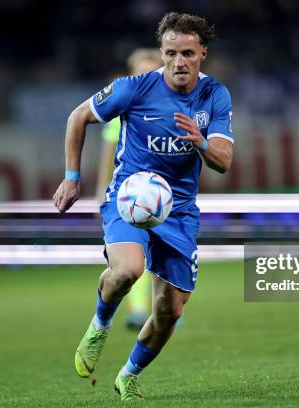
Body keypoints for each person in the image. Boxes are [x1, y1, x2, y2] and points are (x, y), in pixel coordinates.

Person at [53, 12, 234, 401]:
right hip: (129, 199)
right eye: (170, 53)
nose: (178, 62)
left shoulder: (215, 96)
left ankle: (128, 374)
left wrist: (200, 141)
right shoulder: (134, 88)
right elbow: (78, 116)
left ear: (202, 53)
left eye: (187, 52)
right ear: (162, 53)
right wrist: (71, 176)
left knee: (171, 311)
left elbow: (223, 161)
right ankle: (100, 325)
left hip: (179, 211)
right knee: (128, 269)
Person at [95, 48, 162, 332]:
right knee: (135, 255)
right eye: (141, 73)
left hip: (164, 192)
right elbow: (108, 151)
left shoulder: (172, 107)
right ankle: (138, 311)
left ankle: (166, 308)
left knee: (163, 253)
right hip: (130, 194)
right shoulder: (121, 109)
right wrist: (101, 187)